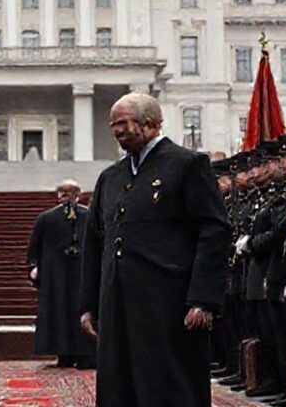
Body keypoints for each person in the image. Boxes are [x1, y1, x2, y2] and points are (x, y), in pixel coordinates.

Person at [79, 92, 230, 406]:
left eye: (123, 123)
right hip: (117, 303)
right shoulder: (111, 177)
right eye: (112, 125)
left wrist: (203, 299)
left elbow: (213, 230)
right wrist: (89, 304)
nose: (117, 131)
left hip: (169, 304)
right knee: (119, 387)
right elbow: (95, 240)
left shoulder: (187, 165)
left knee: (167, 386)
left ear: (150, 124)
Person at [26, 178, 96, 369]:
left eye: (71, 193)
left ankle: (85, 353)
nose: (67, 197)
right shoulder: (45, 219)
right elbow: (35, 247)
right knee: (59, 312)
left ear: (79, 195)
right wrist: (34, 266)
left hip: (82, 273)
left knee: (83, 310)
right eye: (63, 193)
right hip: (55, 275)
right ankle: (62, 352)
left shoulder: (90, 217)